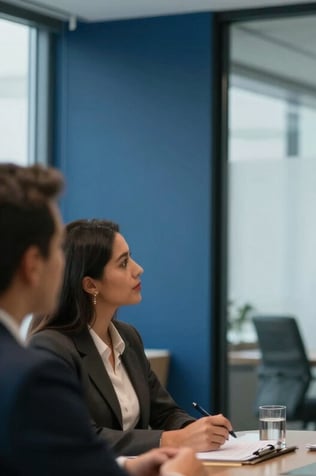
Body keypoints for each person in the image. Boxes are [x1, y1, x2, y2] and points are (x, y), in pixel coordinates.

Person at [0, 163, 204, 475]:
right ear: (32, 264)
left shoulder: (127, 337)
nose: (63, 262)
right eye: (56, 248)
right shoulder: (33, 367)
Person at [27, 219, 233, 456]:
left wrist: (196, 430)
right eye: (123, 263)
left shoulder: (128, 337)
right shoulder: (51, 347)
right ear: (91, 285)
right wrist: (174, 440)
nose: (138, 269)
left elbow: (165, 413)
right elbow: (79, 436)